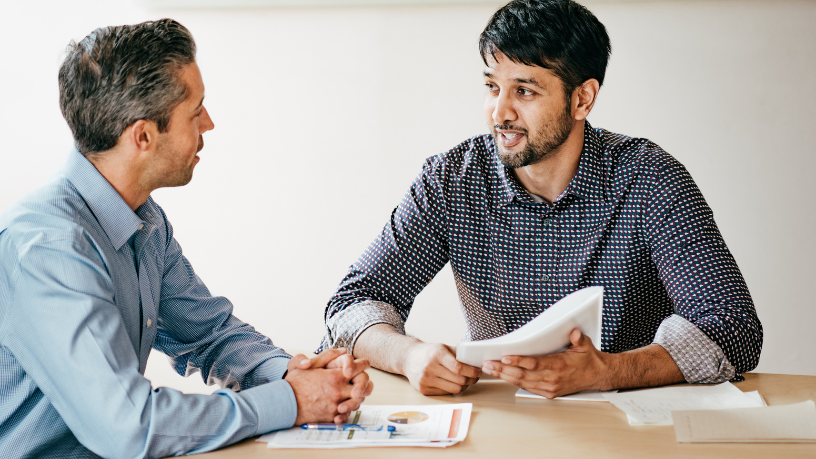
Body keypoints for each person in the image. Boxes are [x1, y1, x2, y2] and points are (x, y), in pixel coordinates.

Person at [321, 0, 762, 398]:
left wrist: (608, 372)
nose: (500, 113)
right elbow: (353, 302)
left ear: (582, 99)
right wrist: (407, 356)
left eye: (524, 91)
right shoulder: (451, 179)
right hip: (505, 419)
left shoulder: (648, 177)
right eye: (493, 87)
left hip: (631, 420)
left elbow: (733, 327)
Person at [0, 19, 372, 458]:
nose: (209, 124)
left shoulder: (144, 220)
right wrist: (291, 401)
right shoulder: (48, 247)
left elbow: (208, 335)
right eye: (196, 112)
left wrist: (296, 373)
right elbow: (130, 428)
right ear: (143, 136)